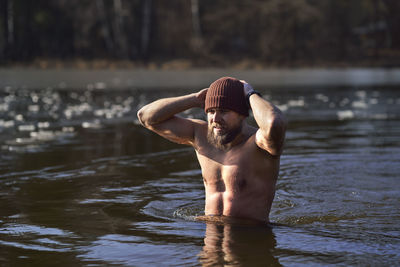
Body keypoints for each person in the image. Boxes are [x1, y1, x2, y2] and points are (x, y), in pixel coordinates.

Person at [137, 77, 286, 223]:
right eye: (211, 110)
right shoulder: (200, 136)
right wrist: (194, 99)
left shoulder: (260, 144)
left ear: (242, 114)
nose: (215, 118)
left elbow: (274, 122)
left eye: (223, 111)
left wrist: (250, 95)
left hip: (250, 236)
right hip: (210, 238)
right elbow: (145, 117)